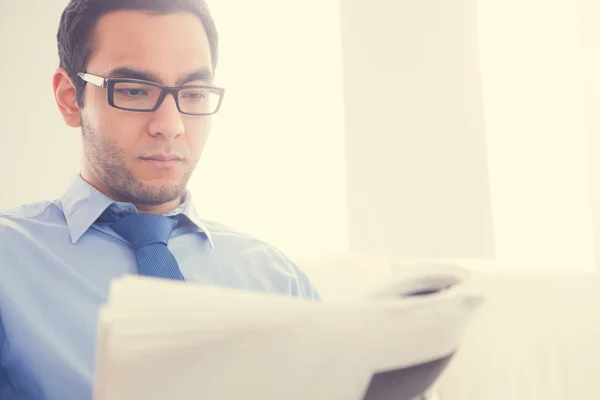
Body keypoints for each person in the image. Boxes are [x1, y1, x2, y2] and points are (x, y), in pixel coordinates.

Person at [0, 0, 320, 398]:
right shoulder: (7, 264)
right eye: (133, 90)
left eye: (194, 93)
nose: (171, 126)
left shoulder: (280, 282)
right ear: (70, 98)